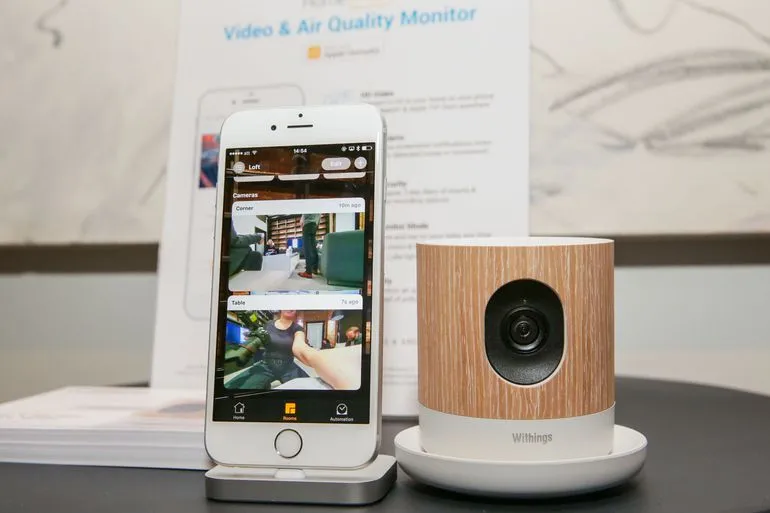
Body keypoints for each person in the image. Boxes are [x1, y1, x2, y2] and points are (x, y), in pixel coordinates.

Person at [226, 311, 355, 390]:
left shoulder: (297, 328)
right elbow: (258, 339)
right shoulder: (268, 324)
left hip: (288, 366)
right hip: (266, 364)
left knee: (313, 393)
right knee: (235, 388)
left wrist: (316, 357)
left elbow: (299, 346)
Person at [298, 213, 321, 278]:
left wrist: (302, 221)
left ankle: (308, 272)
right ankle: (314, 269)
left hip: (307, 224)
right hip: (314, 224)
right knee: (313, 248)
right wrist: (317, 224)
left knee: (307, 249)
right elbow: (319, 215)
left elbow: (304, 213)